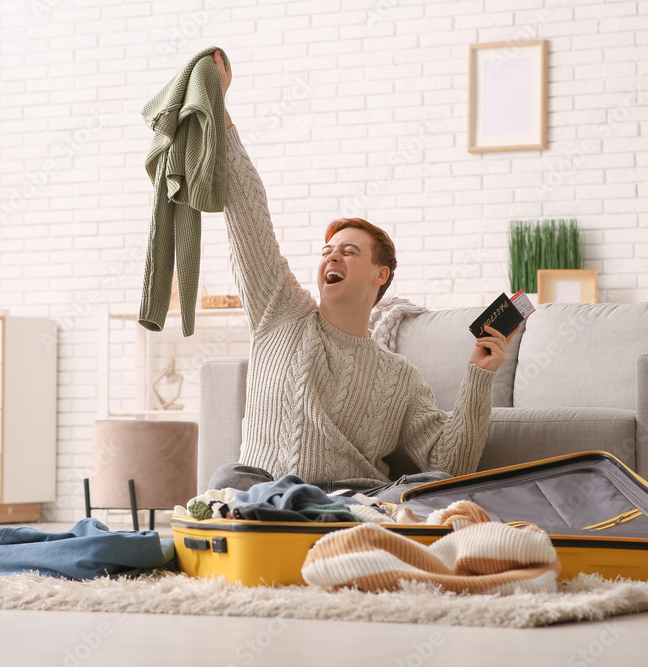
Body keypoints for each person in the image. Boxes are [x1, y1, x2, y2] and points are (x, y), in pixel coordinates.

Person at [207, 50, 515, 502]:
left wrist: (480, 375)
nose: (332, 257)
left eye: (349, 252)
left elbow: (450, 465)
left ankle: (330, 522)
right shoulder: (280, 314)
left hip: (354, 497)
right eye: (327, 251)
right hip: (268, 491)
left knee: (433, 489)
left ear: (380, 274)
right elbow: (248, 215)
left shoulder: (400, 378)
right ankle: (307, 519)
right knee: (229, 480)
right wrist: (220, 111)